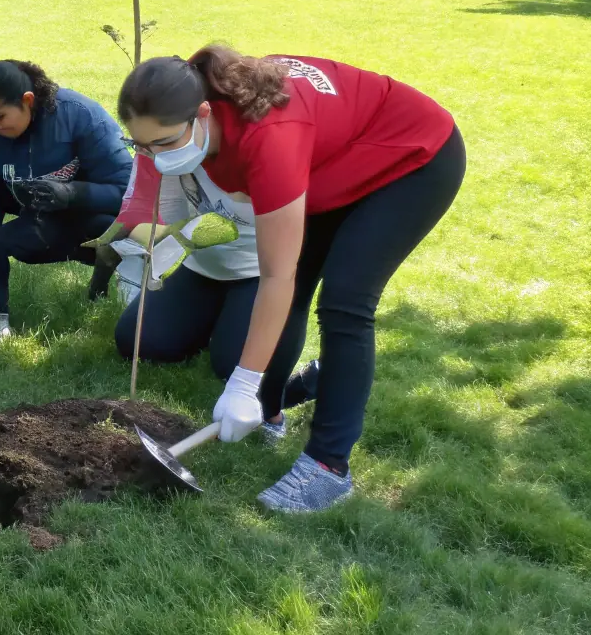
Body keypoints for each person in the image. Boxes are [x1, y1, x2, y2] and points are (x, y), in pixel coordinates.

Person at [118, 47, 464, 512]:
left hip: (409, 158)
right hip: (332, 161)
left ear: (203, 113)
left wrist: (241, 385)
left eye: (163, 143)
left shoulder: (269, 137)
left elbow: (274, 275)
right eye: (142, 145)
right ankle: (273, 409)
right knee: (297, 286)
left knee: (345, 303)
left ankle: (328, 466)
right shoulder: (184, 102)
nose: (154, 156)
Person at [96, 155, 319, 440]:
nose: (150, 147)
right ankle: (212, 322)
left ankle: (304, 384)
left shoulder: (256, 152)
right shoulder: (160, 149)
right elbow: (151, 208)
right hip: (201, 267)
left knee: (233, 367)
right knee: (136, 340)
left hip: (259, 274)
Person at [0, 60, 133, 340]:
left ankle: (100, 288)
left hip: (90, 221)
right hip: (40, 225)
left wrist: (72, 193)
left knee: (121, 235)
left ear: (27, 100)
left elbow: (127, 192)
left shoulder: (82, 116)